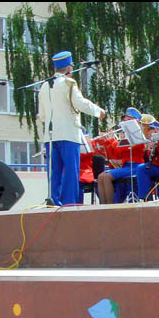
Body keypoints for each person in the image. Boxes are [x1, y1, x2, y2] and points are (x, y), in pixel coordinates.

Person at [37, 50, 107, 206]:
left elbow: (41, 115)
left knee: (54, 172)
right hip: (69, 134)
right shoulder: (69, 84)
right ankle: (69, 202)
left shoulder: (44, 86)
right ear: (69, 68)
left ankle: (54, 201)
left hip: (50, 135)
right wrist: (99, 112)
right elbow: (80, 103)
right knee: (71, 171)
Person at [96, 107, 147, 203]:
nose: (125, 122)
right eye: (124, 120)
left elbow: (122, 148)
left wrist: (112, 140)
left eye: (129, 120)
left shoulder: (138, 137)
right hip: (126, 166)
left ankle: (110, 207)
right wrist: (107, 141)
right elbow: (115, 153)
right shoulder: (124, 136)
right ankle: (103, 205)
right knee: (100, 176)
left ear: (136, 122)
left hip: (135, 166)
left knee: (107, 177)